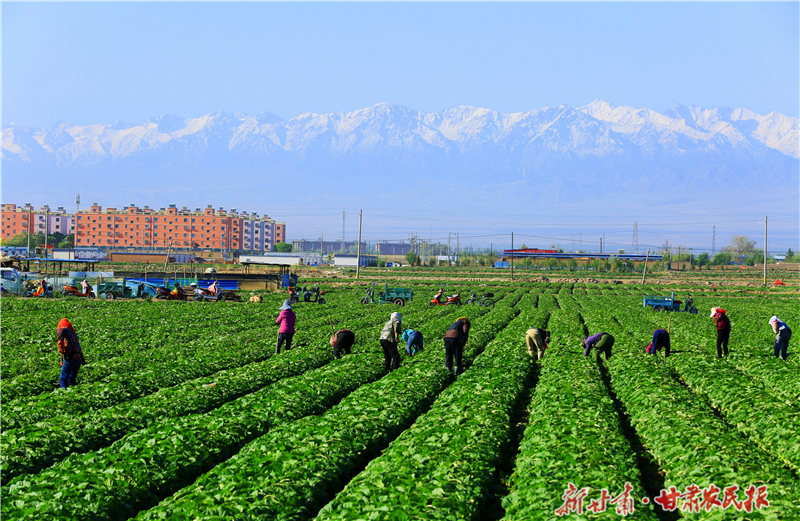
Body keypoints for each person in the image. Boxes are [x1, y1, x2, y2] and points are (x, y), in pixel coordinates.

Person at [57, 318, 85, 388]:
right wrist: (83, 361)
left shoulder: (63, 329)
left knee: (63, 379)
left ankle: (64, 395)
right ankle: (73, 394)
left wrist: (60, 346)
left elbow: (60, 331)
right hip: (78, 359)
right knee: (71, 380)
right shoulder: (74, 335)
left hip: (69, 358)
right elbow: (79, 348)